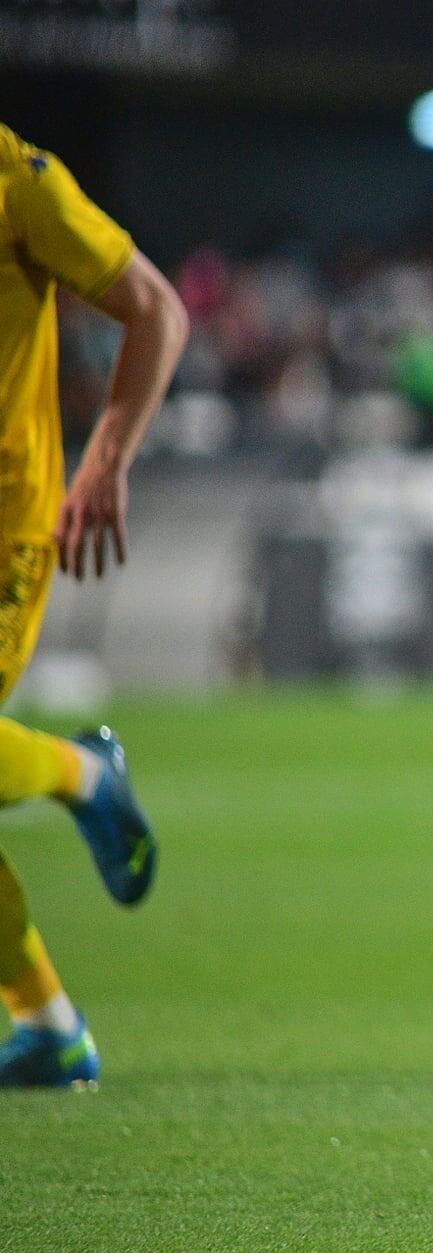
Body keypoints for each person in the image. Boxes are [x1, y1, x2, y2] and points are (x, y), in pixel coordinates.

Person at [0, 123, 184, 1088]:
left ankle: (79, 773)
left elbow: (155, 309)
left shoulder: (17, 181)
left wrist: (104, 456)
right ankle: (48, 1025)